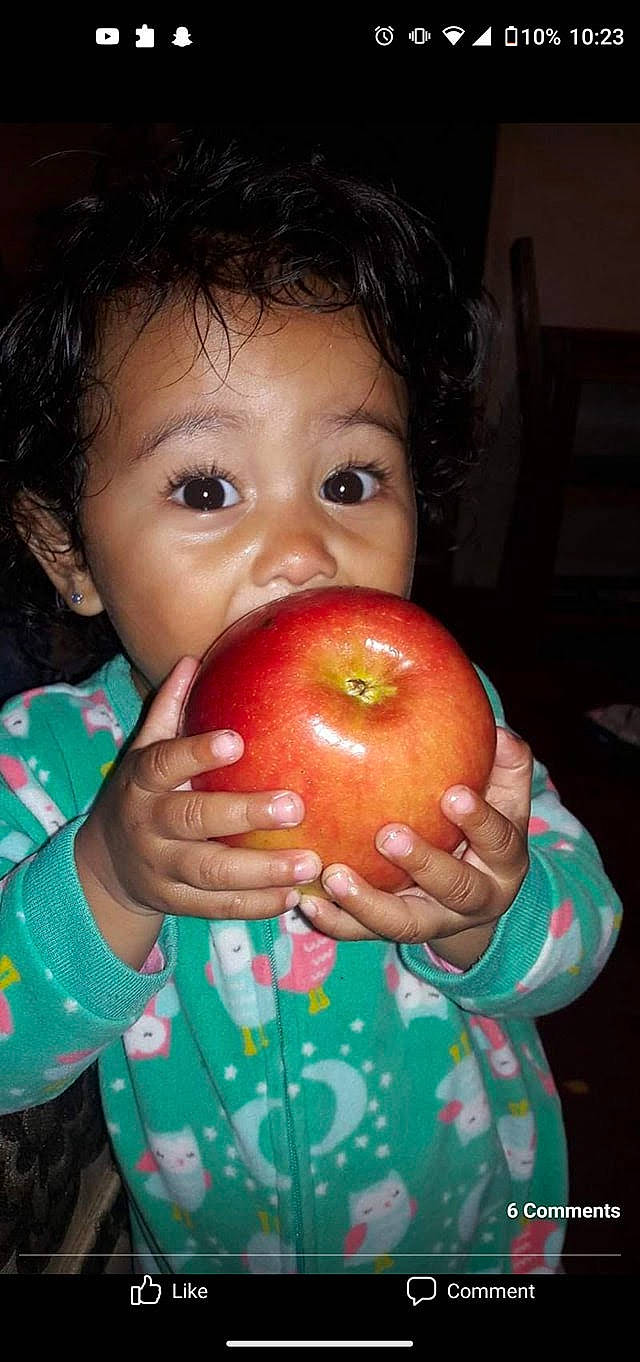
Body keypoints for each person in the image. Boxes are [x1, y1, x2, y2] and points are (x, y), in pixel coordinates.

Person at [0, 133, 622, 1277]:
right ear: (68, 549)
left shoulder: (460, 721)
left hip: (484, 1235)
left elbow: (582, 941)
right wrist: (106, 879)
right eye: (205, 488)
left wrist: (491, 914)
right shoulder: (47, 766)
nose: (301, 550)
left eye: (348, 481)